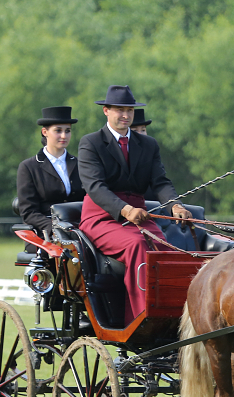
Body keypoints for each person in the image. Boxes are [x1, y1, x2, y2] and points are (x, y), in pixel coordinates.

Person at [78, 85, 193, 325]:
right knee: (139, 245)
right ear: (106, 111)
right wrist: (125, 209)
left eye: (129, 110)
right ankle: (142, 319)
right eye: (119, 110)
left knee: (166, 249)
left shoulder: (148, 145)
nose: (125, 115)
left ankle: (174, 317)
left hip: (139, 216)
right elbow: (95, 187)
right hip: (102, 217)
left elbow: (160, 181)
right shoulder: (91, 143)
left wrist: (175, 206)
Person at [17, 106, 84, 241]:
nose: (64, 136)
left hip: (81, 229)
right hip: (45, 234)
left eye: (68, 131)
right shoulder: (29, 167)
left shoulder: (80, 164)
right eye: (58, 131)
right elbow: (29, 212)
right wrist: (55, 228)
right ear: (45, 132)